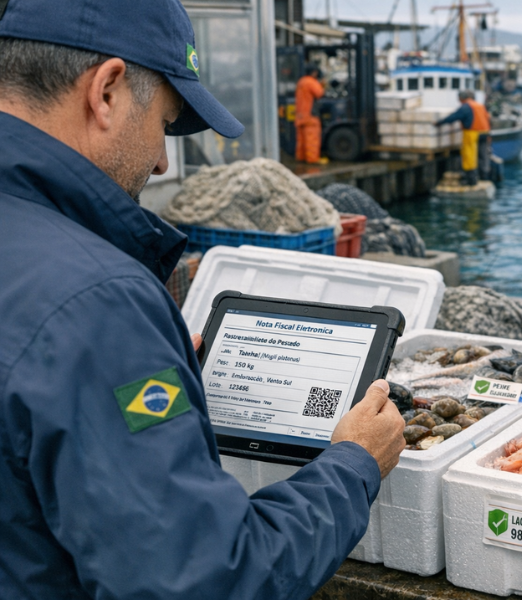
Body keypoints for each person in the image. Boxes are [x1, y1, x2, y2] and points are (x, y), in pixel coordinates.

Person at [0, 1, 406, 598]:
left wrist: (137, 377)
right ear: (106, 90)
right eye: (165, 123)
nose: (164, 159)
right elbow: (209, 580)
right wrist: (352, 464)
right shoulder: (98, 304)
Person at [436, 90, 491, 186]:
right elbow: (488, 118)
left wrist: (439, 122)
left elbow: (454, 117)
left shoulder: (466, 106)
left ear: (462, 98)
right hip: (484, 132)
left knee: (469, 155)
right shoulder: (479, 105)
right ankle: (484, 176)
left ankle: (471, 180)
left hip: (472, 133)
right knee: (482, 155)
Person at [295, 65, 327, 164]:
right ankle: (313, 159)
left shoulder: (301, 81)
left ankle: (301, 157)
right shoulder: (311, 82)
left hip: (300, 115)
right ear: (314, 72)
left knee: (301, 140)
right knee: (312, 139)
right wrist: (323, 83)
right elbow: (319, 93)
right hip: (310, 116)